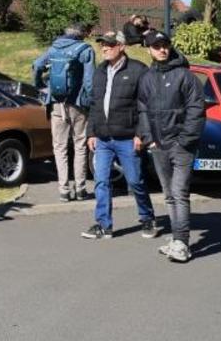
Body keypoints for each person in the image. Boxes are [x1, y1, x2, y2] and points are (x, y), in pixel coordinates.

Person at [138, 29, 206, 263]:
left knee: (179, 193)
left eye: (165, 45)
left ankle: (182, 243)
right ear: (149, 49)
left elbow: (197, 109)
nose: (162, 50)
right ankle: (177, 240)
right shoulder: (147, 78)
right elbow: (142, 109)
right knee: (168, 195)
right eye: (157, 47)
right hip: (158, 145)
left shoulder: (185, 76)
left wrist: (184, 140)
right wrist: (149, 139)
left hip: (181, 146)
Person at [82, 30, 156, 241]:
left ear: (121, 46)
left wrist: (141, 134)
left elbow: (146, 105)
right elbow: (95, 105)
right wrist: (91, 132)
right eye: (102, 44)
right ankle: (104, 225)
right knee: (101, 182)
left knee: (135, 181)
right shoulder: (100, 71)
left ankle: (147, 218)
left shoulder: (138, 70)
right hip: (103, 139)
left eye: (110, 44)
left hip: (127, 138)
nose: (104, 48)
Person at [33, 24, 95, 202]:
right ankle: (80, 189)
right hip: (78, 103)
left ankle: (64, 190)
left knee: (59, 147)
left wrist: (41, 86)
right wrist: (91, 100)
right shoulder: (86, 50)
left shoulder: (53, 48)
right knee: (80, 145)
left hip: (56, 103)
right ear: (81, 35)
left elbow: (37, 65)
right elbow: (89, 81)